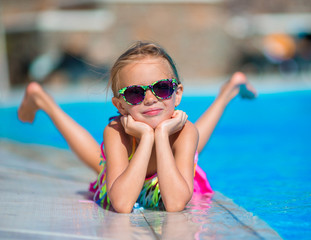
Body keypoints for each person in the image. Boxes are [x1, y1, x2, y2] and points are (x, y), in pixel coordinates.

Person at [18, 41, 257, 213]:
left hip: (176, 148)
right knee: (95, 159)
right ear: (120, 105)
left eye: (162, 88)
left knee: (193, 138)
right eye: (134, 93)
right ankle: (43, 101)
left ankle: (228, 91)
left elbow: (175, 204)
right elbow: (121, 204)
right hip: (128, 161)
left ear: (178, 93)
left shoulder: (184, 131)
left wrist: (162, 135)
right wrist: (145, 137)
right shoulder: (116, 132)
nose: (151, 99)